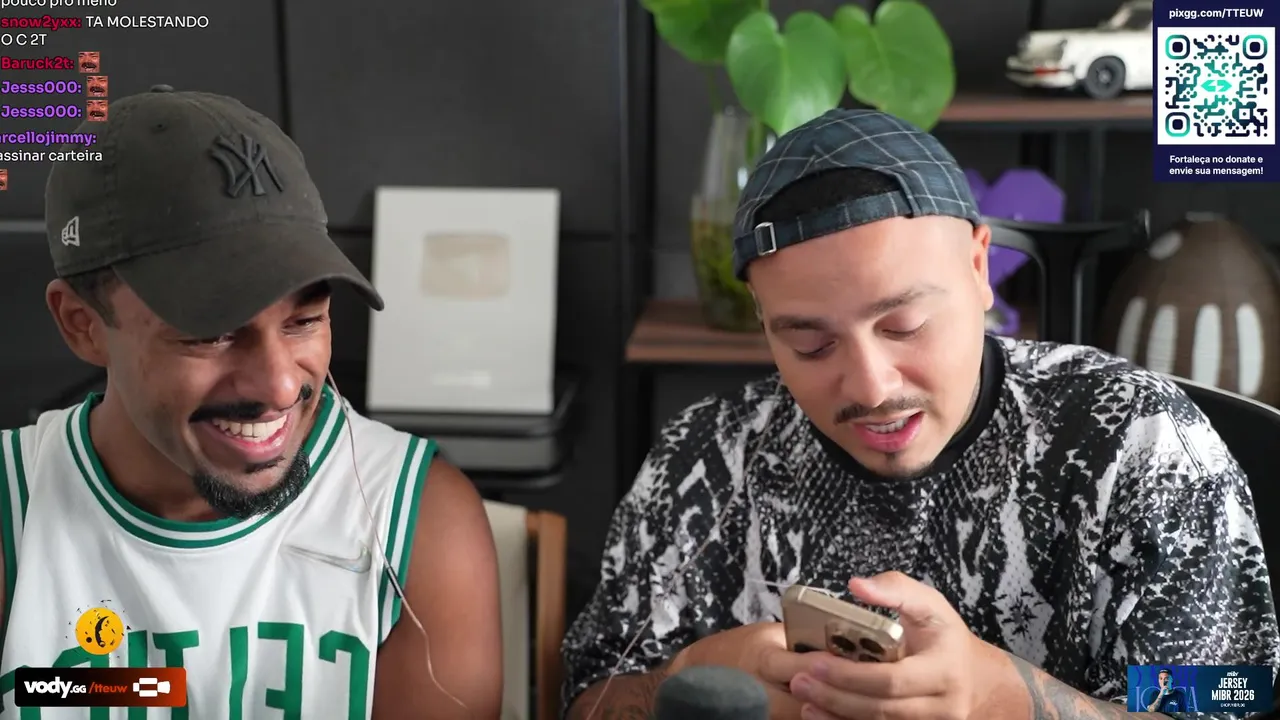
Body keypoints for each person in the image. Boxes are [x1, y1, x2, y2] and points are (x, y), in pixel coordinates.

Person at [562, 109, 1280, 720]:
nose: (872, 387)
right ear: (763, 320)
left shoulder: (1134, 437)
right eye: (810, 344)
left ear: (979, 267)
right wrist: (688, 676)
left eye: (903, 325)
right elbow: (587, 699)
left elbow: (1229, 700)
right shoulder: (707, 456)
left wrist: (1003, 695)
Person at [0, 87, 503, 718]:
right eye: (212, 332)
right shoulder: (13, 512)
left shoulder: (420, 523)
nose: (280, 387)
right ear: (83, 325)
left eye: (304, 320)